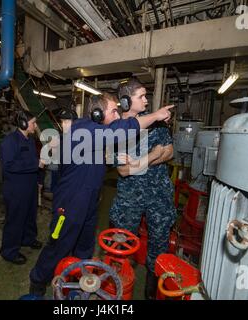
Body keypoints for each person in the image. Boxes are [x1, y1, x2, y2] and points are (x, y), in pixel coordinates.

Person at [29, 92, 174, 296]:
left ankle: (78, 281)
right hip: (70, 201)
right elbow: (123, 130)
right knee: (59, 243)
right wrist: (155, 115)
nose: (117, 115)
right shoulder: (86, 130)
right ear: (97, 113)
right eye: (114, 111)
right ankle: (37, 279)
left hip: (90, 199)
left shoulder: (96, 132)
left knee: (85, 245)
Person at [109, 78, 177, 299]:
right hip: (130, 197)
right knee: (122, 243)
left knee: (159, 244)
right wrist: (153, 155)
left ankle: (152, 292)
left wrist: (139, 162)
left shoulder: (157, 124)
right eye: (142, 96)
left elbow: (169, 152)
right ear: (126, 101)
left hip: (159, 194)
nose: (147, 101)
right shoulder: (116, 131)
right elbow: (123, 171)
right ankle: (119, 289)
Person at [0, 110, 44, 265]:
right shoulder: (9, 142)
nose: (35, 125)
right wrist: (35, 164)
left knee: (30, 215)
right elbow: (9, 166)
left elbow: (33, 161)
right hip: (16, 189)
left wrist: (39, 180)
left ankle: (28, 239)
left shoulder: (30, 140)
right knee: (15, 219)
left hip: (30, 186)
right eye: (33, 122)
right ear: (24, 124)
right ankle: (9, 252)